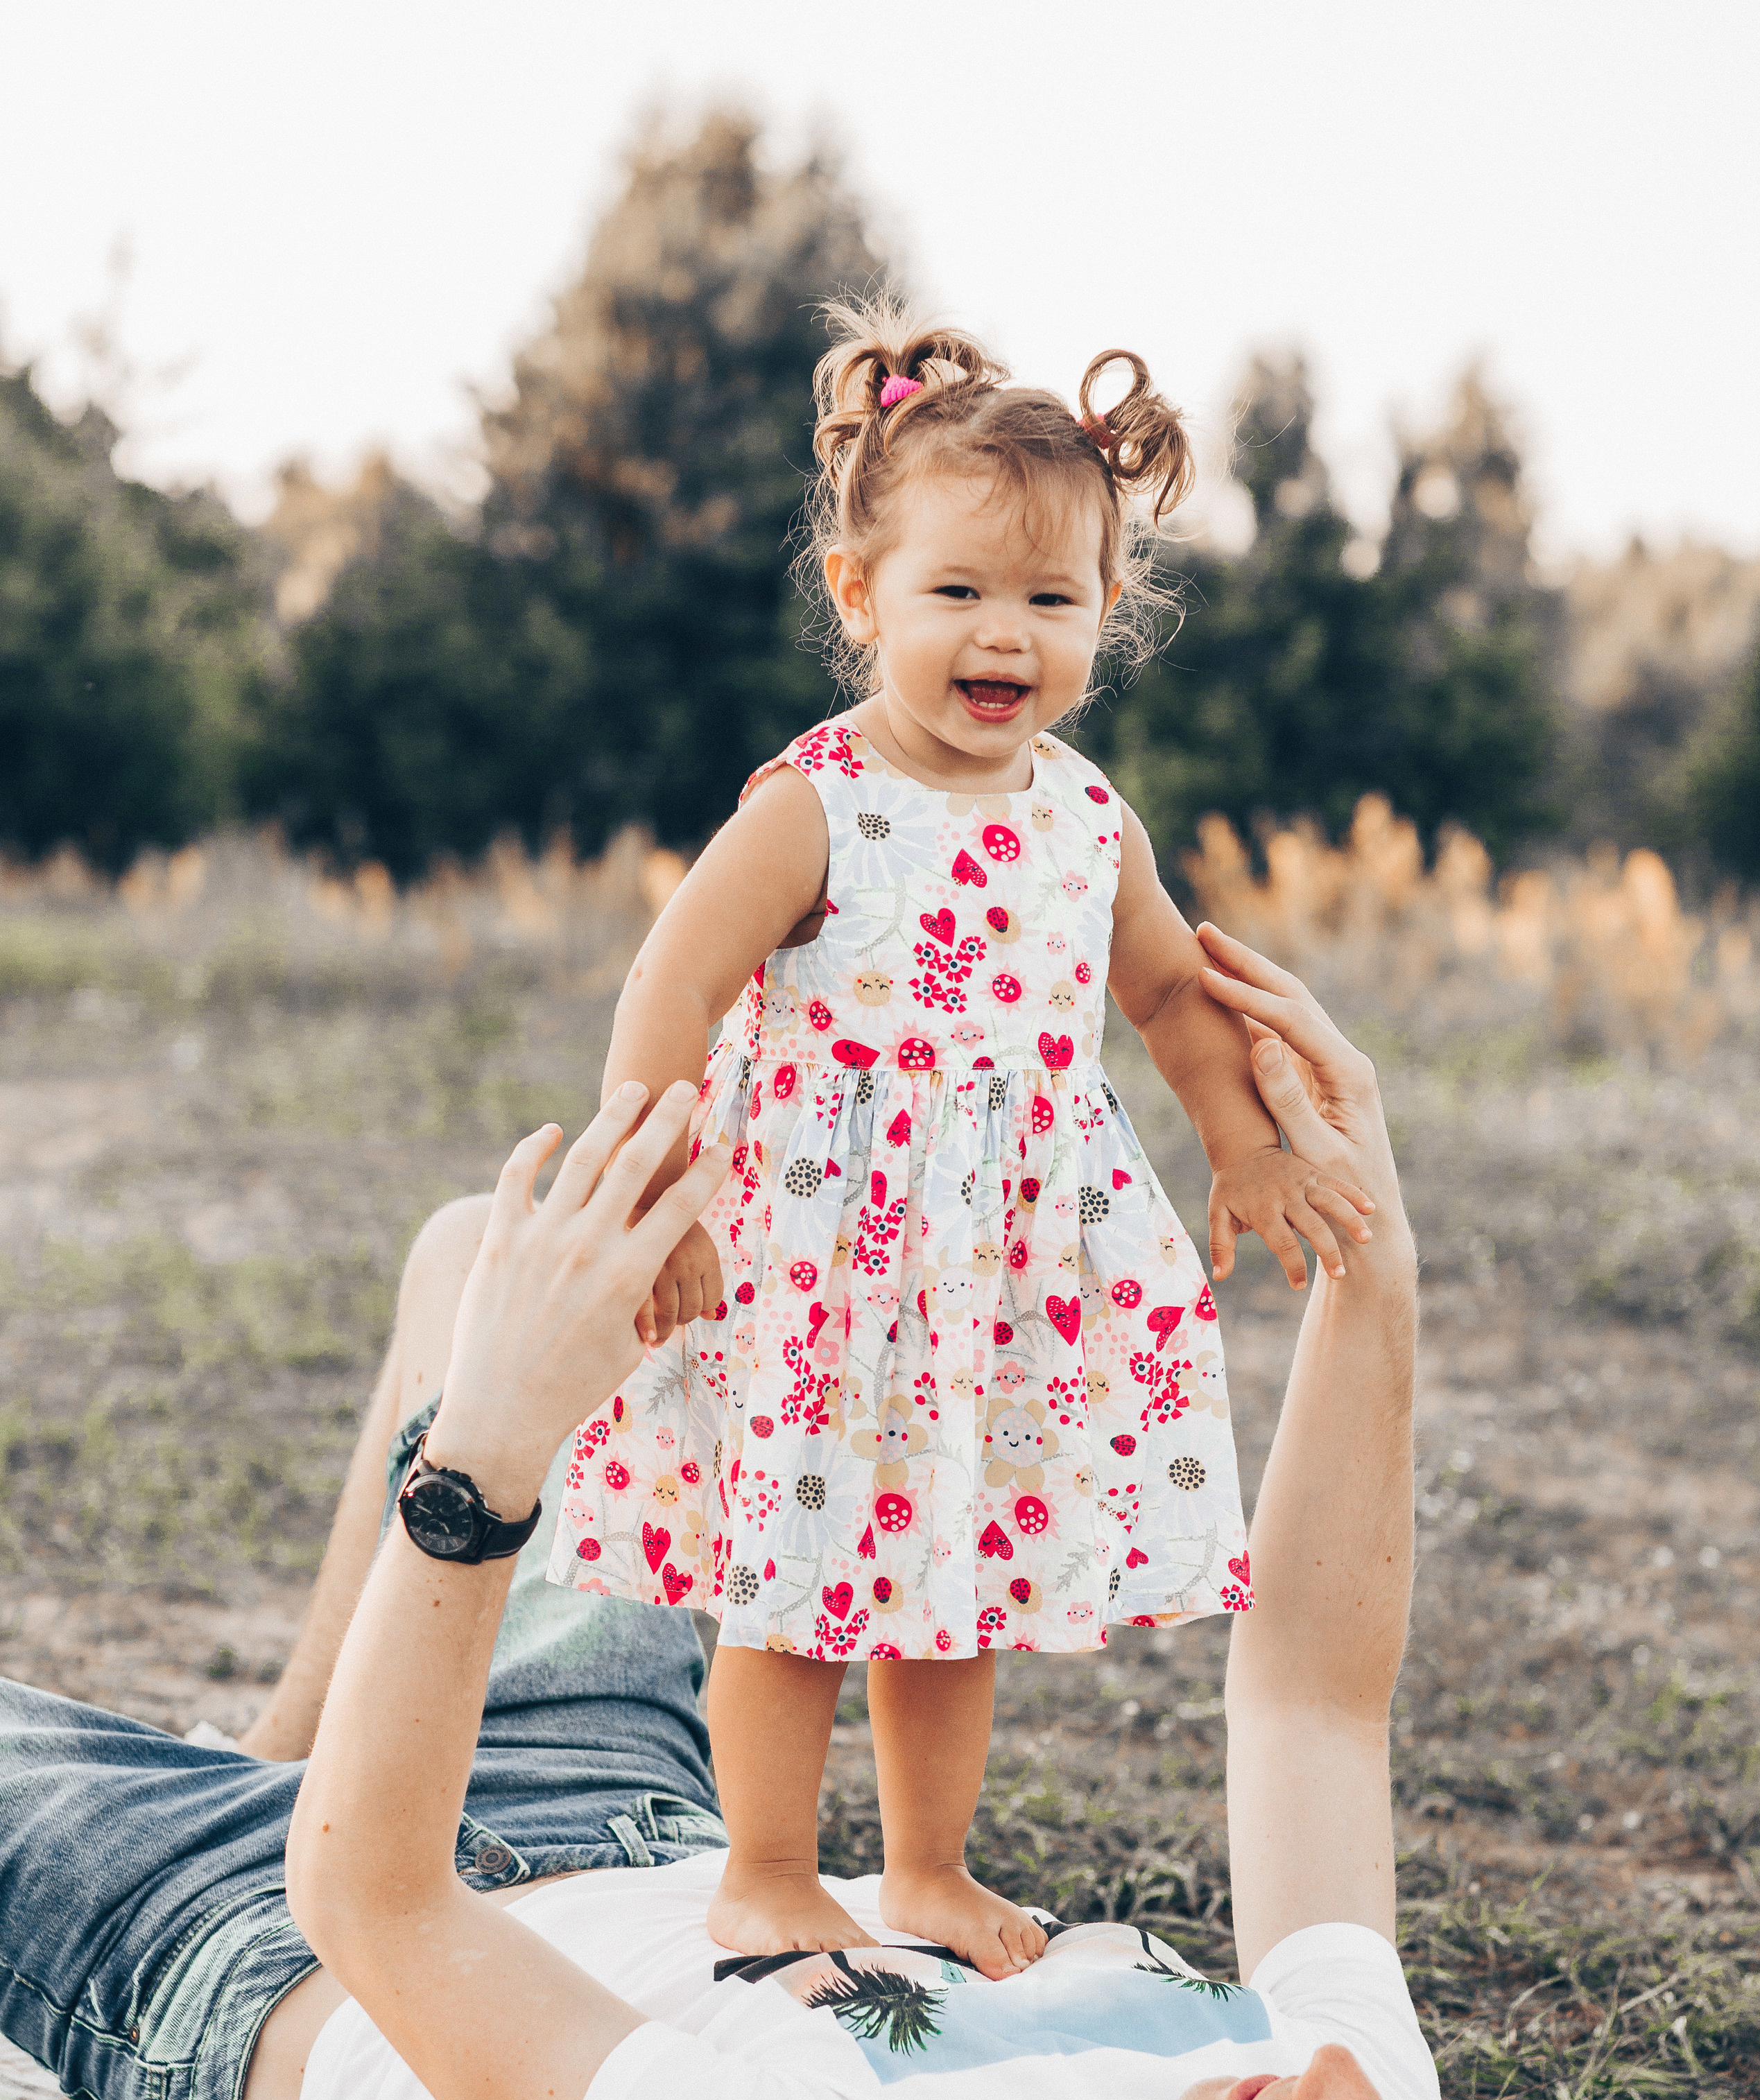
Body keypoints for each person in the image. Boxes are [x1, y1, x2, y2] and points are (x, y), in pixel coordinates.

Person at [0, 936, 1615, 2100]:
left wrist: (490, 1450)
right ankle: (283, 1729)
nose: (1327, 2067)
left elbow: (373, 1899)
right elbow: (1313, 1705)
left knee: (502, 1354)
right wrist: (1368, 1257)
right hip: (635, 1822)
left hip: (267, 1948)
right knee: (479, 1262)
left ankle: (265, 1756)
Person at [549, 297, 1376, 1974]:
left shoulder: (1087, 820)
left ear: (1104, 616)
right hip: (818, 1260)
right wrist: (663, 1193)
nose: (1004, 636)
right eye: (958, 593)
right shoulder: (816, 803)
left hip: (995, 1279)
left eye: (1049, 601)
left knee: (956, 1576)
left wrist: (1242, 1141)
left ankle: (924, 1869)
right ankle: (768, 1872)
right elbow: (672, 982)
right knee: (790, 1582)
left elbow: (1165, 996)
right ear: (860, 597)